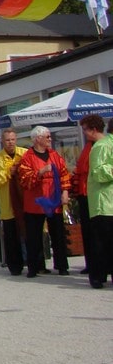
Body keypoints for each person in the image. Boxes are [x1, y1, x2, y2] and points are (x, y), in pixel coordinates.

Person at [17, 126, 71, 278]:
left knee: (58, 235)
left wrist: (65, 192)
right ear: (37, 138)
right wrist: (40, 172)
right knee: (34, 237)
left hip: (53, 201)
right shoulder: (27, 157)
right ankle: (35, 267)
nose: (50, 139)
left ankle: (62, 266)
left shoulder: (55, 155)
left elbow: (64, 174)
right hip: (35, 202)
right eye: (47, 137)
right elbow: (24, 180)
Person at [0, 129, 28, 276]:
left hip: (25, 203)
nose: (10, 143)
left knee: (30, 234)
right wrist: (7, 173)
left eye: (13, 139)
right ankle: (15, 267)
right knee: (11, 238)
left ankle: (35, 264)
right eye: (7, 140)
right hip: (8, 206)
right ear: (2, 142)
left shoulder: (24, 154)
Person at [80, 114, 113, 289]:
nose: (85, 134)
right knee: (101, 243)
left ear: (93, 129)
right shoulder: (100, 147)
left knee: (104, 243)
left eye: (85, 130)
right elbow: (99, 173)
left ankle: (100, 275)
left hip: (108, 202)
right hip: (102, 203)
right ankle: (97, 276)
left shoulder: (104, 145)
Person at [70, 134, 94, 275]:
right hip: (84, 193)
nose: (84, 133)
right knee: (88, 231)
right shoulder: (88, 147)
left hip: (90, 192)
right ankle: (91, 263)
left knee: (95, 232)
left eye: (85, 129)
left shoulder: (98, 146)